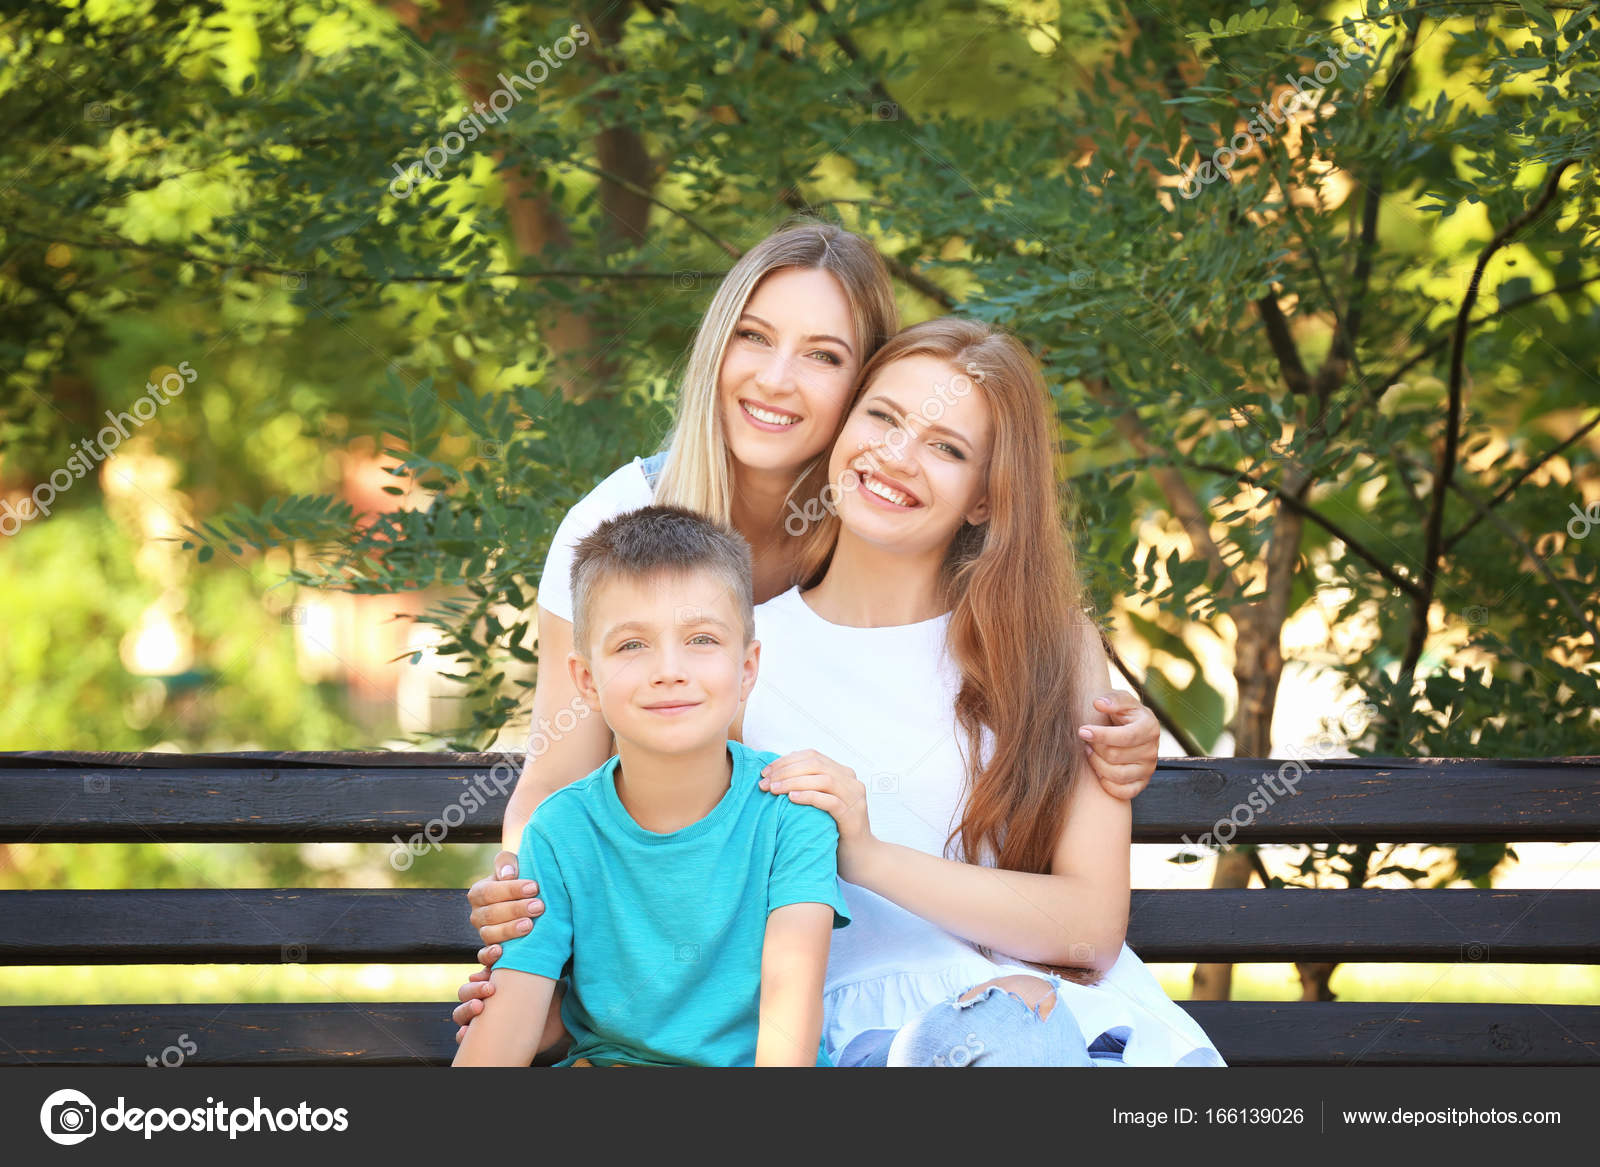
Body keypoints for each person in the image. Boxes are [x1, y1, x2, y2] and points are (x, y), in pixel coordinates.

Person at [462, 317, 1225, 1067]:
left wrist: (867, 854)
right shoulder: (730, 661)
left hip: (1068, 1023)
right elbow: (645, 869)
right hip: (857, 1034)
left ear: (985, 497)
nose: (897, 456)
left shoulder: (1051, 646)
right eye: (882, 417)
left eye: (947, 447)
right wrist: (546, 996)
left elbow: (1090, 929)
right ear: (841, 429)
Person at [452, 505, 850, 1067]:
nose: (669, 670)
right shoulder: (560, 831)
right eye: (632, 646)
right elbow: (501, 1039)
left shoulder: (792, 815)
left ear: (747, 669)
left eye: (702, 639)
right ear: (587, 680)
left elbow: (789, 1032)